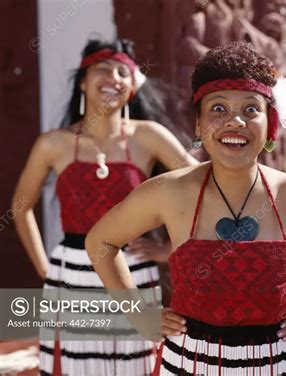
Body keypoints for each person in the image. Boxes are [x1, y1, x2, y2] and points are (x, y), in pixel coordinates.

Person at [85, 41, 286, 375]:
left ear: (270, 124)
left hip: (277, 364)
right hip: (189, 363)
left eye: (251, 109)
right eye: (218, 109)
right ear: (199, 126)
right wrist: (138, 313)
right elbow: (100, 241)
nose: (235, 121)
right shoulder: (168, 191)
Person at [12, 38, 198, 375]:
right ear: (83, 81)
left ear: (131, 88)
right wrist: (44, 269)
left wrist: (166, 249)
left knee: (134, 366)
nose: (113, 77)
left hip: (133, 272)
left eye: (122, 72)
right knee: (76, 368)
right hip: (71, 275)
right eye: (103, 69)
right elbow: (21, 207)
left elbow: (199, 186)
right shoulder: (53, 144)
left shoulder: (149, 136)